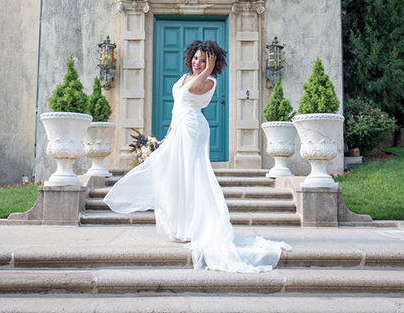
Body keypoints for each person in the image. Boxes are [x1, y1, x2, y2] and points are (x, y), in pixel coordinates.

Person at [104, 40, 291, 273]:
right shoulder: (183, 77)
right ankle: (183, 225)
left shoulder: (210, 81)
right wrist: (166, 136)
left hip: (193, 129)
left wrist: (207, 70)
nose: (197, 63)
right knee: (173, 175)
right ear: (190, 56)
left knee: (192, 175)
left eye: (204, 60)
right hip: (179, 127)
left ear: (212, 63)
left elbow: (193, 91)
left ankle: (200, 225)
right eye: (196, 58)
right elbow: (176, 107)